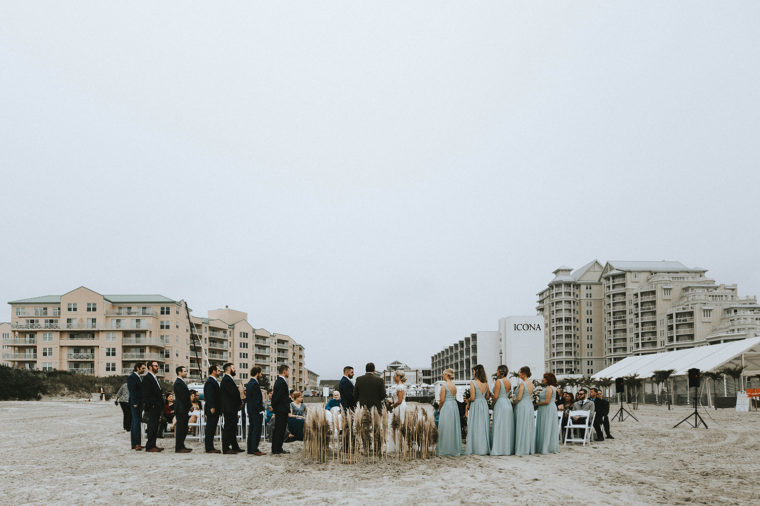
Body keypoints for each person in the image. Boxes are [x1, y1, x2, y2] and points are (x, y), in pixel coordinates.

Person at [464, 364, 491, 455]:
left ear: (476, 372)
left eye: (473, 371)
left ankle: (475, 447)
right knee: (483, 426)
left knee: (475, 425)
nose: (473, 372)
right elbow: (487, 397)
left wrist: (467, 400)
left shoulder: (473, 383)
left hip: (476, 405)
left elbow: (472, 397)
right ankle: (484, 448)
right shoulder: (486, 383)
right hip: (484, 404)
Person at [436, 368, 461, 456]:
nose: (442, 376)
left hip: (446, 406)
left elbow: (442, 400)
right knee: (452, 426)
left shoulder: (444, 386)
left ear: (446, 375)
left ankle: (445, 448)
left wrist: (439, 408)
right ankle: (453, 448)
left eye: (443, 374)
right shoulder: (454, 385)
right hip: (453, 406)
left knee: (445, 427)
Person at [490, 364, 514, 456]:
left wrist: (492, 404)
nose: (496, 372)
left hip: (500, 404)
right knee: (506, 426)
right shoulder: (508, 382)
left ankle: (499, 448)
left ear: (500, 371)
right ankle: (506, 448)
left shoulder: (499, 381)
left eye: (497, 370)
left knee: (499, 425)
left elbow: (496, 396)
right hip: (507, 403)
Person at [220, 363, 243, 454]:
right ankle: (225, 448)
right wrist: (240, 401)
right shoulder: (226, 380)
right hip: (229, 408)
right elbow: (233, 394)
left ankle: (234, 446)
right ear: (228, 369)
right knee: (228, 428)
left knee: (233, 428)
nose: (235, 370)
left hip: (232, 408)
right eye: (233, 368)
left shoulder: (229, 379)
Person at [512, 366, 535, 456]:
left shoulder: (523, 384)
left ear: (524, 373)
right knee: (527, 426)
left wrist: (513, 402)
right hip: (529, 405)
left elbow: (519, 398)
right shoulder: (531, 384)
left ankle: (521, 447)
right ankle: (528, 447)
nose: (518, 374)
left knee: (521, 426)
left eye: (520, 372)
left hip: (522, 405)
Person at [535, 372, 559, 454]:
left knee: (546, 426)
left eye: (544, 378)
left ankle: (546, 446)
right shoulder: (552, 388)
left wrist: (536, 404)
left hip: (547, 408)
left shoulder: (549, 388)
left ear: (548, 380)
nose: (542, 379)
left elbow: (547, 401)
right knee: (547, 426)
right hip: (548, 408)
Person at [142, 360, 164, 452]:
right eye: (156, 366)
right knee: (151, 426)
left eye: (158, 366)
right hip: (152, 407)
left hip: (157, 406)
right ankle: (150, 446)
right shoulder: (147, 378)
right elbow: (146, 394)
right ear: (150, 367)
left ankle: (153, 445)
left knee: (155, 426)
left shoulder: (155, 378)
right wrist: (153, 404)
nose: (157, 367)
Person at [271, 364, 291, 454]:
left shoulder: (279, 381)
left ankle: (277, 448)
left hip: (280, 409)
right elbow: (277, 397)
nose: (288, 373)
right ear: (284, 371)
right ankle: (277, 449)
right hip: (281, 410)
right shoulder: (282, 382)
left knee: (279, 429)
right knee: (280, 429)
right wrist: (275, 407)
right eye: (288, 371)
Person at [245, 366, 265, 455]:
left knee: (252, 429)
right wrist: (261, 409)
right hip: (256, 411)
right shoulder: (255, 384)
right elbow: (256, 399)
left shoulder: (249, 383)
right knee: (256, 429)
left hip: (250, 410)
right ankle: (254, 449)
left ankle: (250, 448)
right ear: (257, 373)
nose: (261, 375)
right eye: (260, 373)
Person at [203, 365, 222, 453]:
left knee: (212, 428)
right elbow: (209, 395)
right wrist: (212, 407)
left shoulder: (214, 381)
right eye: (218, 370)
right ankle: (209, 447)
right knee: (210, 428)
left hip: (215, 408)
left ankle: (210, 447)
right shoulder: (210, 382)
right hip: (212, 408)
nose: (220, 372)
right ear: (213, 371)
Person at [173, 365, 192, 453]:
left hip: (183, 408)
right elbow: (183, 397)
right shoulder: (178, 383)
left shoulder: (181, 382)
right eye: (184, 371)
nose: (186, 372)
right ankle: (179, 447)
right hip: (181, 408)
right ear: (179, 372)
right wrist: (189, 406)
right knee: (181, 428)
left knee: (184, 428)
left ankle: (182, 445)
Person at [127, 363, 145, 450]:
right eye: (142, 368)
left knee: (135, 423)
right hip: (135, 403)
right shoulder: (132, 377)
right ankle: (137, 444)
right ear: (137, 368)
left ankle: (135, 444)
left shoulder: (139, 377)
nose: (144, 370)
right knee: (136, 423)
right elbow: (132, 390)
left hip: (139, 403)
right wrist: (134, 402)